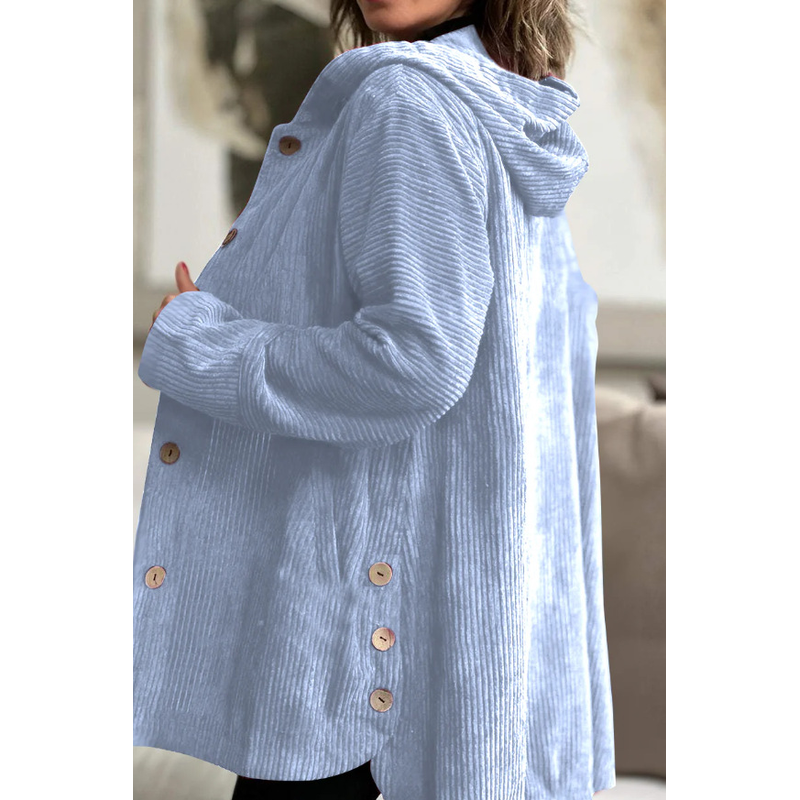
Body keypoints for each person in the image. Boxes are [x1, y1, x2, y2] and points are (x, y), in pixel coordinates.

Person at [134, 0, 616, 798]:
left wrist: (200, 343)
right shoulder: (515, 112)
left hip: (355, 649)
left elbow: (415, 364)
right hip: (465, 651)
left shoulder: (407, 100)